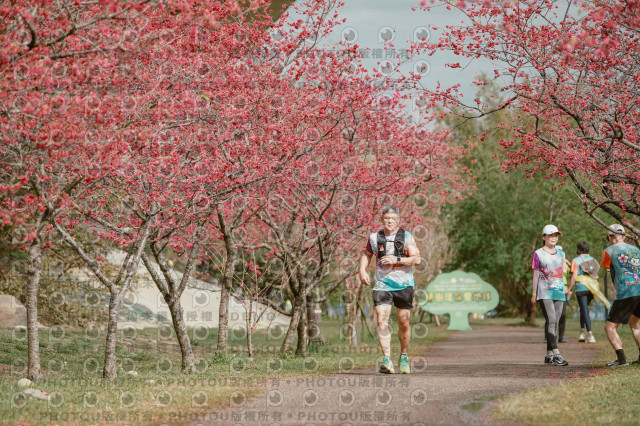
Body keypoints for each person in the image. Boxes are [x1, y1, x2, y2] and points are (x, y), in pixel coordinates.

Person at [359, 205, 421, 374]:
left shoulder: (406, 237)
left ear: (398, 220)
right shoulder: (374, 237)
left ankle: (404, 356)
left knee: (404, 322)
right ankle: (387, 359)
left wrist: (396, 259)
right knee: (381, 320)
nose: (390, 221)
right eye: (387, 218)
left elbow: (417, 259)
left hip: (404, 284)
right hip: (382, 284)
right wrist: (362, 270)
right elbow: (367, 255)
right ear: (382, 219)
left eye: (393, 219)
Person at [600, 224, 640, 367]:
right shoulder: (636, 249)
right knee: (634, 324)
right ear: (624, 235)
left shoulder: (608, 251)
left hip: (626, 293)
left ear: (609, 237)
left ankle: (621, 360)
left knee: (609, 327)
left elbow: (601, 273)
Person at [532, 224, 569, 366]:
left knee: (555, 322)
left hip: (558, 290)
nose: (554, 238)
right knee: (552, 320)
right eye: (550, 235)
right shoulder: (538, 253)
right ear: (544, 237)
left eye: (556, 235)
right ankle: (557, 354)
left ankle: (549, 355)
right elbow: (536, 275)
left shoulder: (561, 254)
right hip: (544, 291)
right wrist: (534, 293)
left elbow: (562, 271)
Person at [568, 241, 598, 343]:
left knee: (584, 309)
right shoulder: (593, 259)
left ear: (578, 249)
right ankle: (582, 332)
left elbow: (574, 276)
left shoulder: (576, 260)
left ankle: (590, 334)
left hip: (581, 288)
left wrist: (569, 288)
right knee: (583, 309)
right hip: (591, 288)